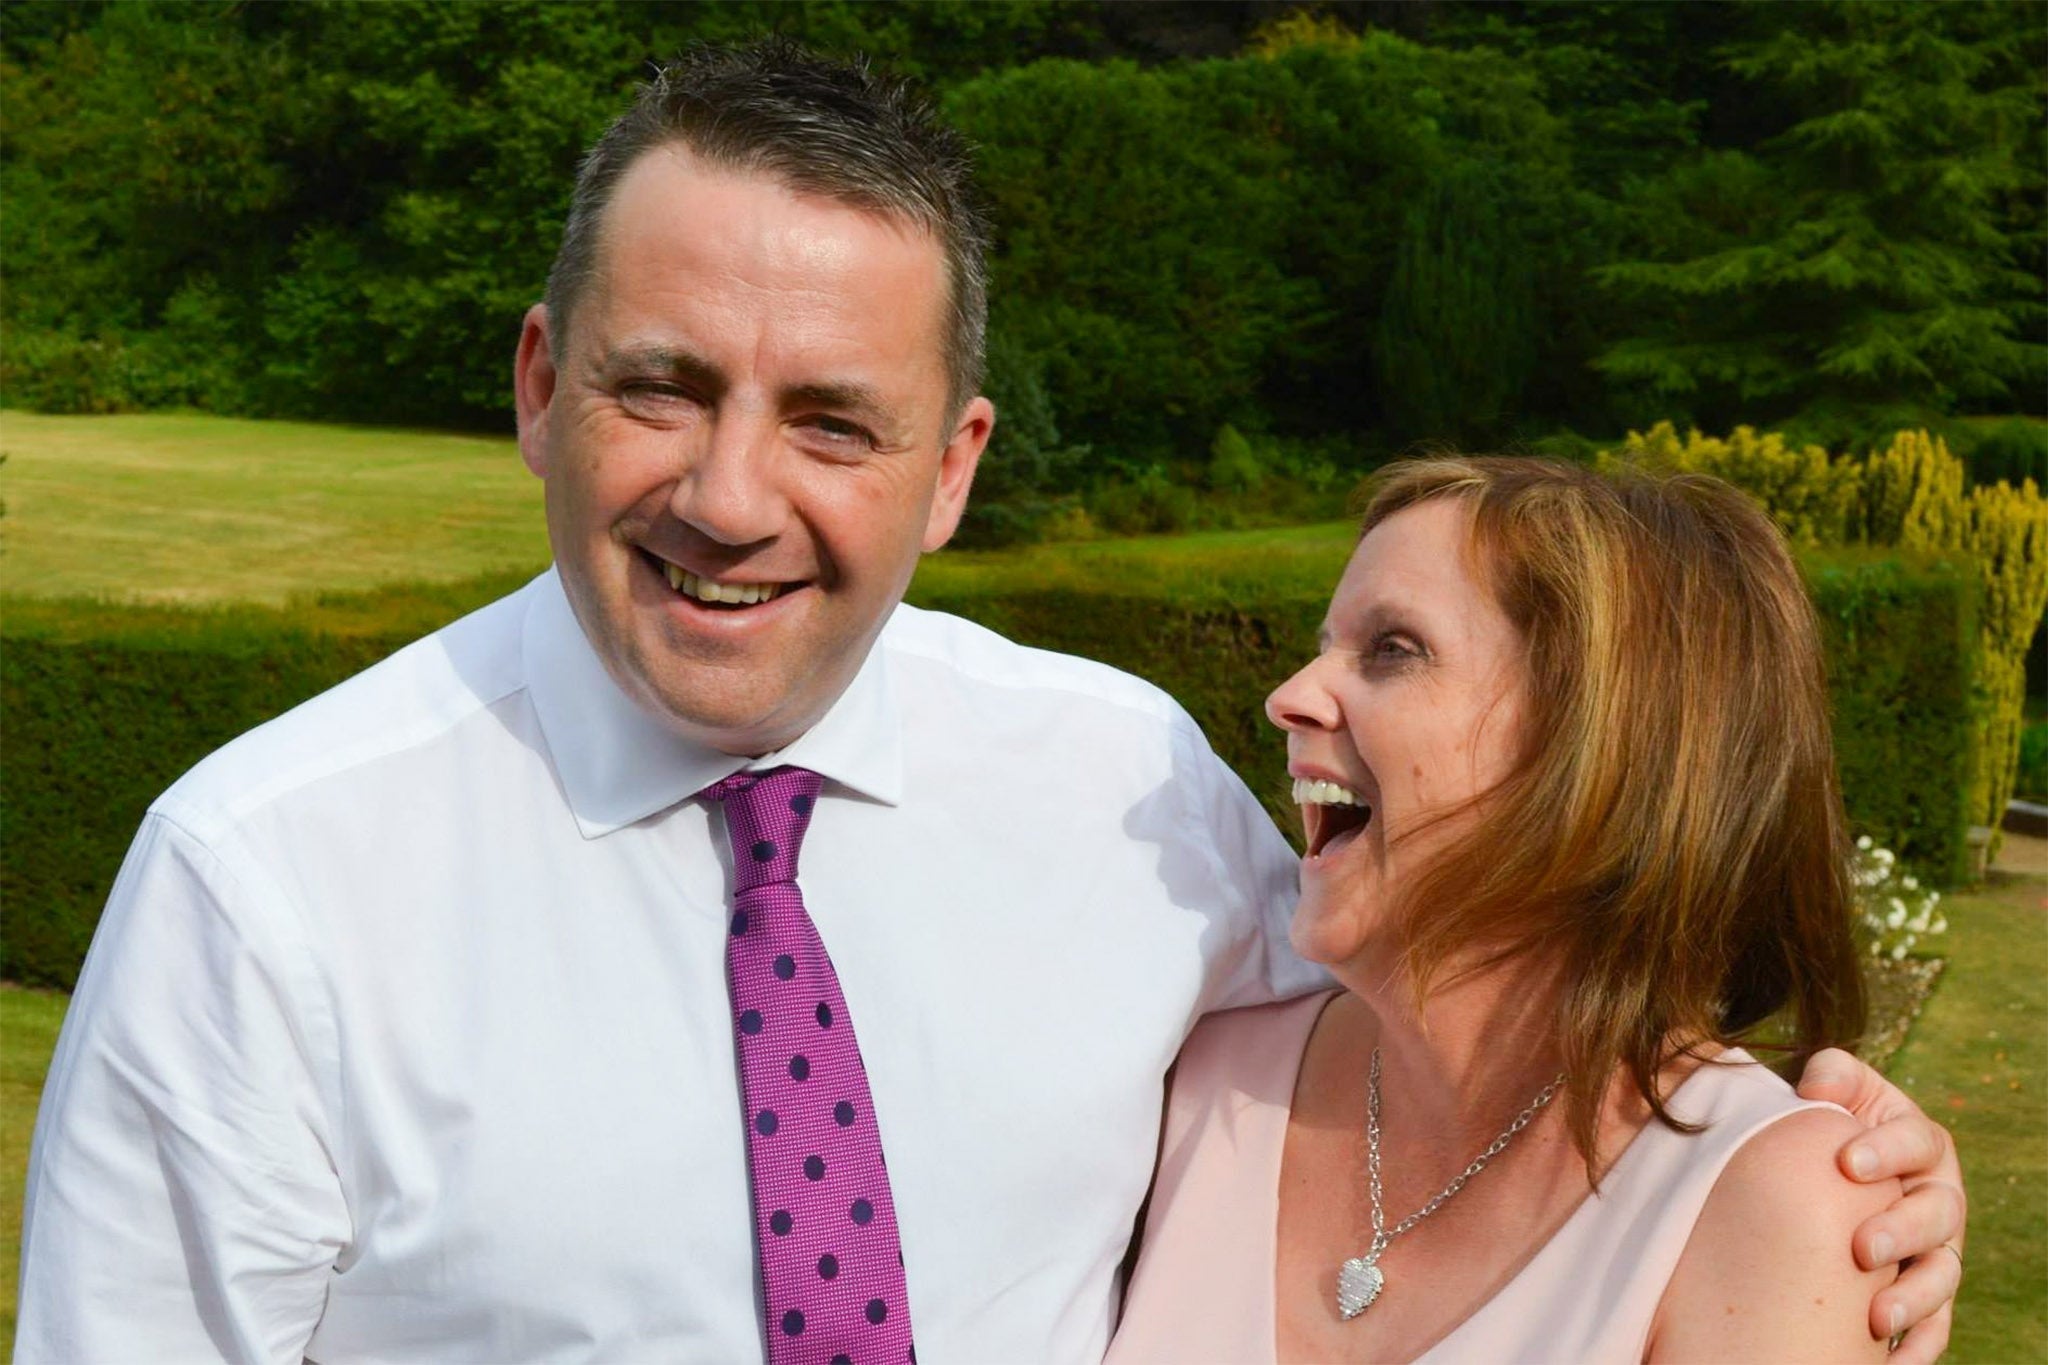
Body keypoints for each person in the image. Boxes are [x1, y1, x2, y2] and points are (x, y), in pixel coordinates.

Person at [18, 41, 1962, 1365]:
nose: (725, 494)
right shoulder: (267, 880)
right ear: (538, 380)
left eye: (831, 423)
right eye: (661, 385)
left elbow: (1482, 1042)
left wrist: (1824, 1179)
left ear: (951, 470)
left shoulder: (1119, 787)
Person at [1110, 457, 1964, 1363]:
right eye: (1326, 642)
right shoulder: (1204, 1068)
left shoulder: (1772, 1210)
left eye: (1392, 648)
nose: (1289, 696)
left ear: (1604, 747)